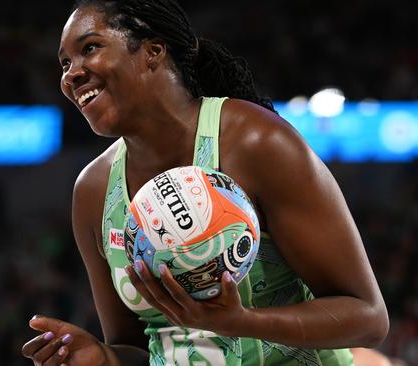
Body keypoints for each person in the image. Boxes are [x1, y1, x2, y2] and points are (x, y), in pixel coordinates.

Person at [22, 0, 389, 365]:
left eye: (90, 48)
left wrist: (243, 322)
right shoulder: (93, 191)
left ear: (152, 52)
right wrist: (104, 358)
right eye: (65, 63)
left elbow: (367, 317)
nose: (71, 74)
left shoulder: (255, 142)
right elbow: (135, 348)